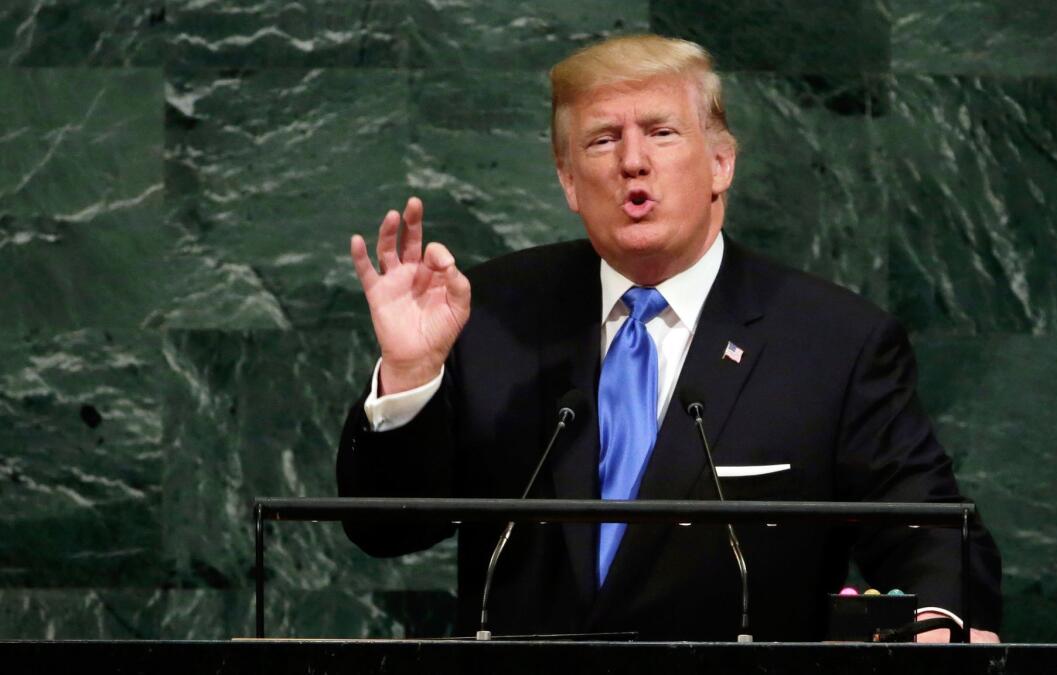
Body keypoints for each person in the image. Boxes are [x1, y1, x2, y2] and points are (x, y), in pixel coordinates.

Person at [337, 34, 1002, 642]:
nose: (632, 162)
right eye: (602, 140)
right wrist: (410, 372)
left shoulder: (833, 342)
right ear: (568, 179)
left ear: (720, 163)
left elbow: (930, 526)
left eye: (661, 132)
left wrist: (941, 619)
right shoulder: (490, 315)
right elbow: (387, 528)